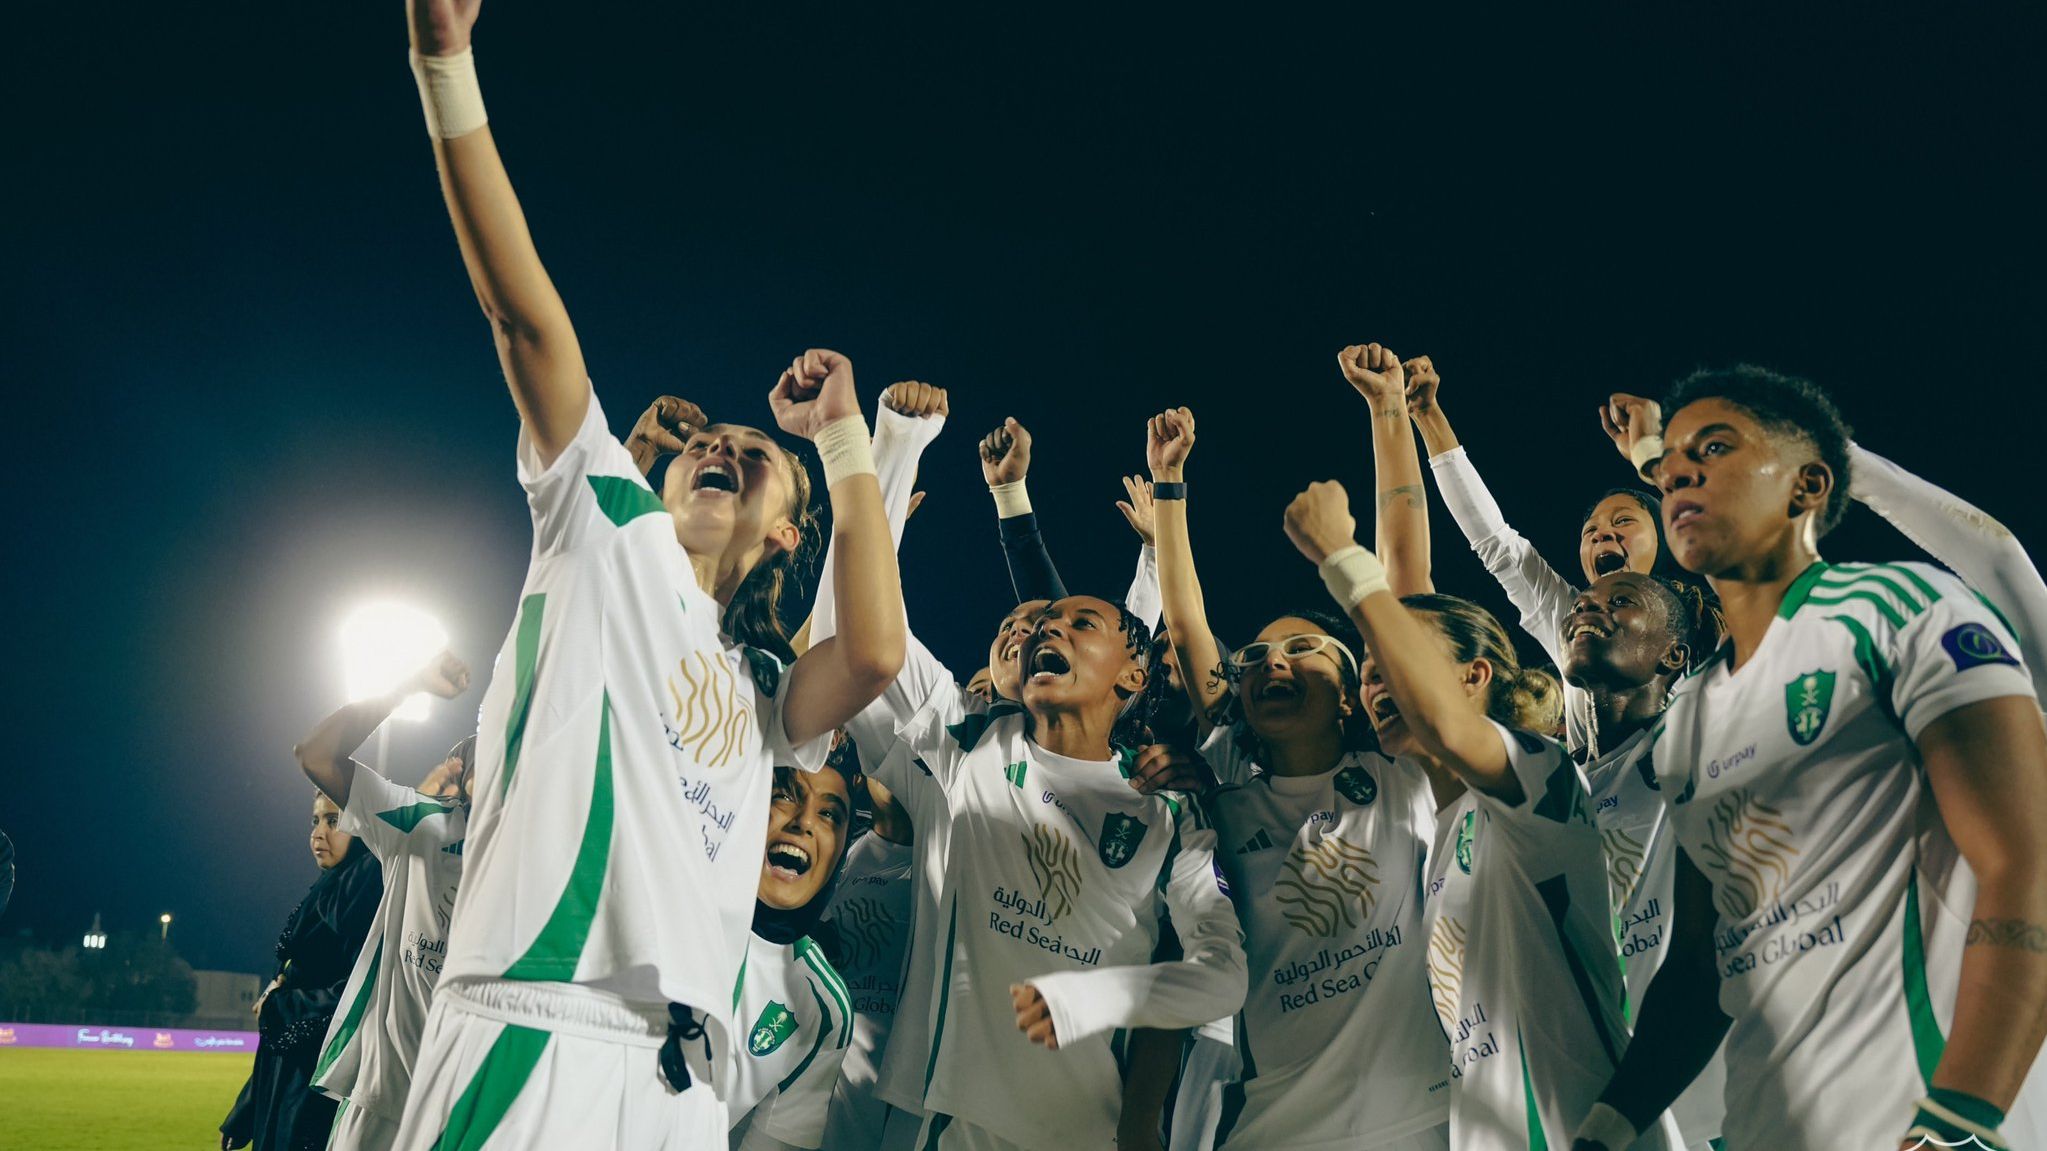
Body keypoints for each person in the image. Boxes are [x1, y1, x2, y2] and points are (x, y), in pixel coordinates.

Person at [392, 0, 905, 1144]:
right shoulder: (604, 522)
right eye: (708, 442)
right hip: (537, 1026)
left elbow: (872, 651)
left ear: (787, 533)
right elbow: (525, 322)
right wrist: (446, 63)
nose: (723, 445)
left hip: (682, 1080)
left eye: (755, 454)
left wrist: (843, 435)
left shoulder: (760, 685)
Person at [1566, 366, 2047, 1151]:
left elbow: (2025, 861)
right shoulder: (1688, 722)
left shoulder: (1899, 610)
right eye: (1670, 461)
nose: (1679, 470)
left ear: (1808, 487)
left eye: (1714, 448)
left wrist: (1959, 1120)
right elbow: (1695, 976)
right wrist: (1599, 1133)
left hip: (1925, 1121)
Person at [1281, 476, 1681, 1150]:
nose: (1379, 679)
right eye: (1371, 670)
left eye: (1398, 660)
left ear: (1473, 677)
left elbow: (1441, 713)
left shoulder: (1540, 778)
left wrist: (1343, 559)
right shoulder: (1433, 835)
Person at [1145, 352, 1447, 1151]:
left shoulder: (1402, 776)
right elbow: (1185, 633)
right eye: (1257, 657)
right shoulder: (1221, 809)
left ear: (1352, 689)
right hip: (1269, 1127)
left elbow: (1407, 592)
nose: (1273, 662)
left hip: (1418, 1119)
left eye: (1306, 648)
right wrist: (1170, 489)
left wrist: (1388, 413)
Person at [850, 583, 1246, 1151]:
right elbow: (867, 626)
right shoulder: (970, 743)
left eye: (1082, 624)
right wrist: (871, 500)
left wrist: (1094, 999)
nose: (1047, 630)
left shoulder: (1169, 809)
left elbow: (1224, 977)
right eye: (1045, 624)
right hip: (961, 1131)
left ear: (1134, 675)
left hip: (1091, 1136)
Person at [1408, 358, 1681, 756]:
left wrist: (1654, 462)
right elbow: (1496, 542)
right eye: (1591, 531)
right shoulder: (1574, 622)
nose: (1602, 531)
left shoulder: (1711, 621)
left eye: (1624, 521)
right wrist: (1427, 413)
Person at [296, 652, 475, 1151]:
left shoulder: (540, 850)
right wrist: (407, 686)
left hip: (476, 1110)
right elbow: (316, 756)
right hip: (385, 1102)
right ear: (462, 774)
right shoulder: (421, 822)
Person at [221, 792, 384, 1151]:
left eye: (334, 821)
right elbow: (281, 1029)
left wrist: (280, 1006)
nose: (318, 834)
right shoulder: (329, 891)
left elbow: (357, 1000)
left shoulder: (366, 899)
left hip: (317, 1097)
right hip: (284, 1090)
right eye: (315, 821)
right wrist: (247, 1109)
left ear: (363, 828)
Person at [727, 756, 860, 1151]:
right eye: (785, 796)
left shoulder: (825, 1009)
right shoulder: (666, 902)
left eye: (829, 815)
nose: (804, 821)